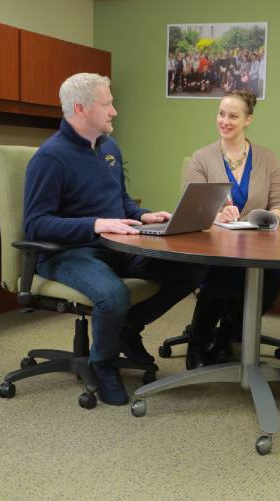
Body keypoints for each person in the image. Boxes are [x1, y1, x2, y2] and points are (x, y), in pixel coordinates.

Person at [23, 73, 205, 405]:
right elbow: (35, 224)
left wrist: (143, 215)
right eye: (107, 104)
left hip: (116, 246)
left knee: (189, 270)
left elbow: (120, 202)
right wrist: (95, 225)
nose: (114, 111)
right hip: (67, 253)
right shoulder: (50, 158)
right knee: (113, 296)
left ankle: (127, 330)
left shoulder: (109, 148)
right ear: (81, 108)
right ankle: (102, 364)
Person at [183, 89, 280, 369]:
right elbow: (192, 209)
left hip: (258, 245)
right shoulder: (201, 158)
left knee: (274, 277)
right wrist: (218, 213)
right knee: (222, 275)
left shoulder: (267, 158)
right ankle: (197, 344)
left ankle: (226, 335)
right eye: (221, 114)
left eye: (233, 116)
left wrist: (267, 218)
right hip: (215, 245)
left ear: (248, 120)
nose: (225, 121)